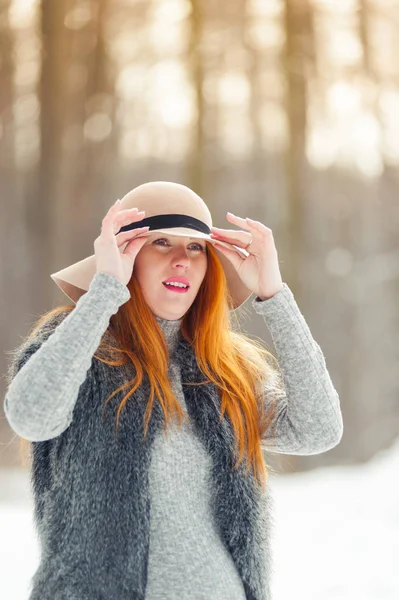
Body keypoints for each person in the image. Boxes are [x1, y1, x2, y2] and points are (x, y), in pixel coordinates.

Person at [4, 181, 343, 600]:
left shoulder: (225, 370)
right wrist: (105, 289)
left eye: (196, 247)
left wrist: (273, 295)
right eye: (162, 242)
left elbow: (318, 430)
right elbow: (30, 414)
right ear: (127, 253)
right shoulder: (79, 347)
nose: (182, 260)